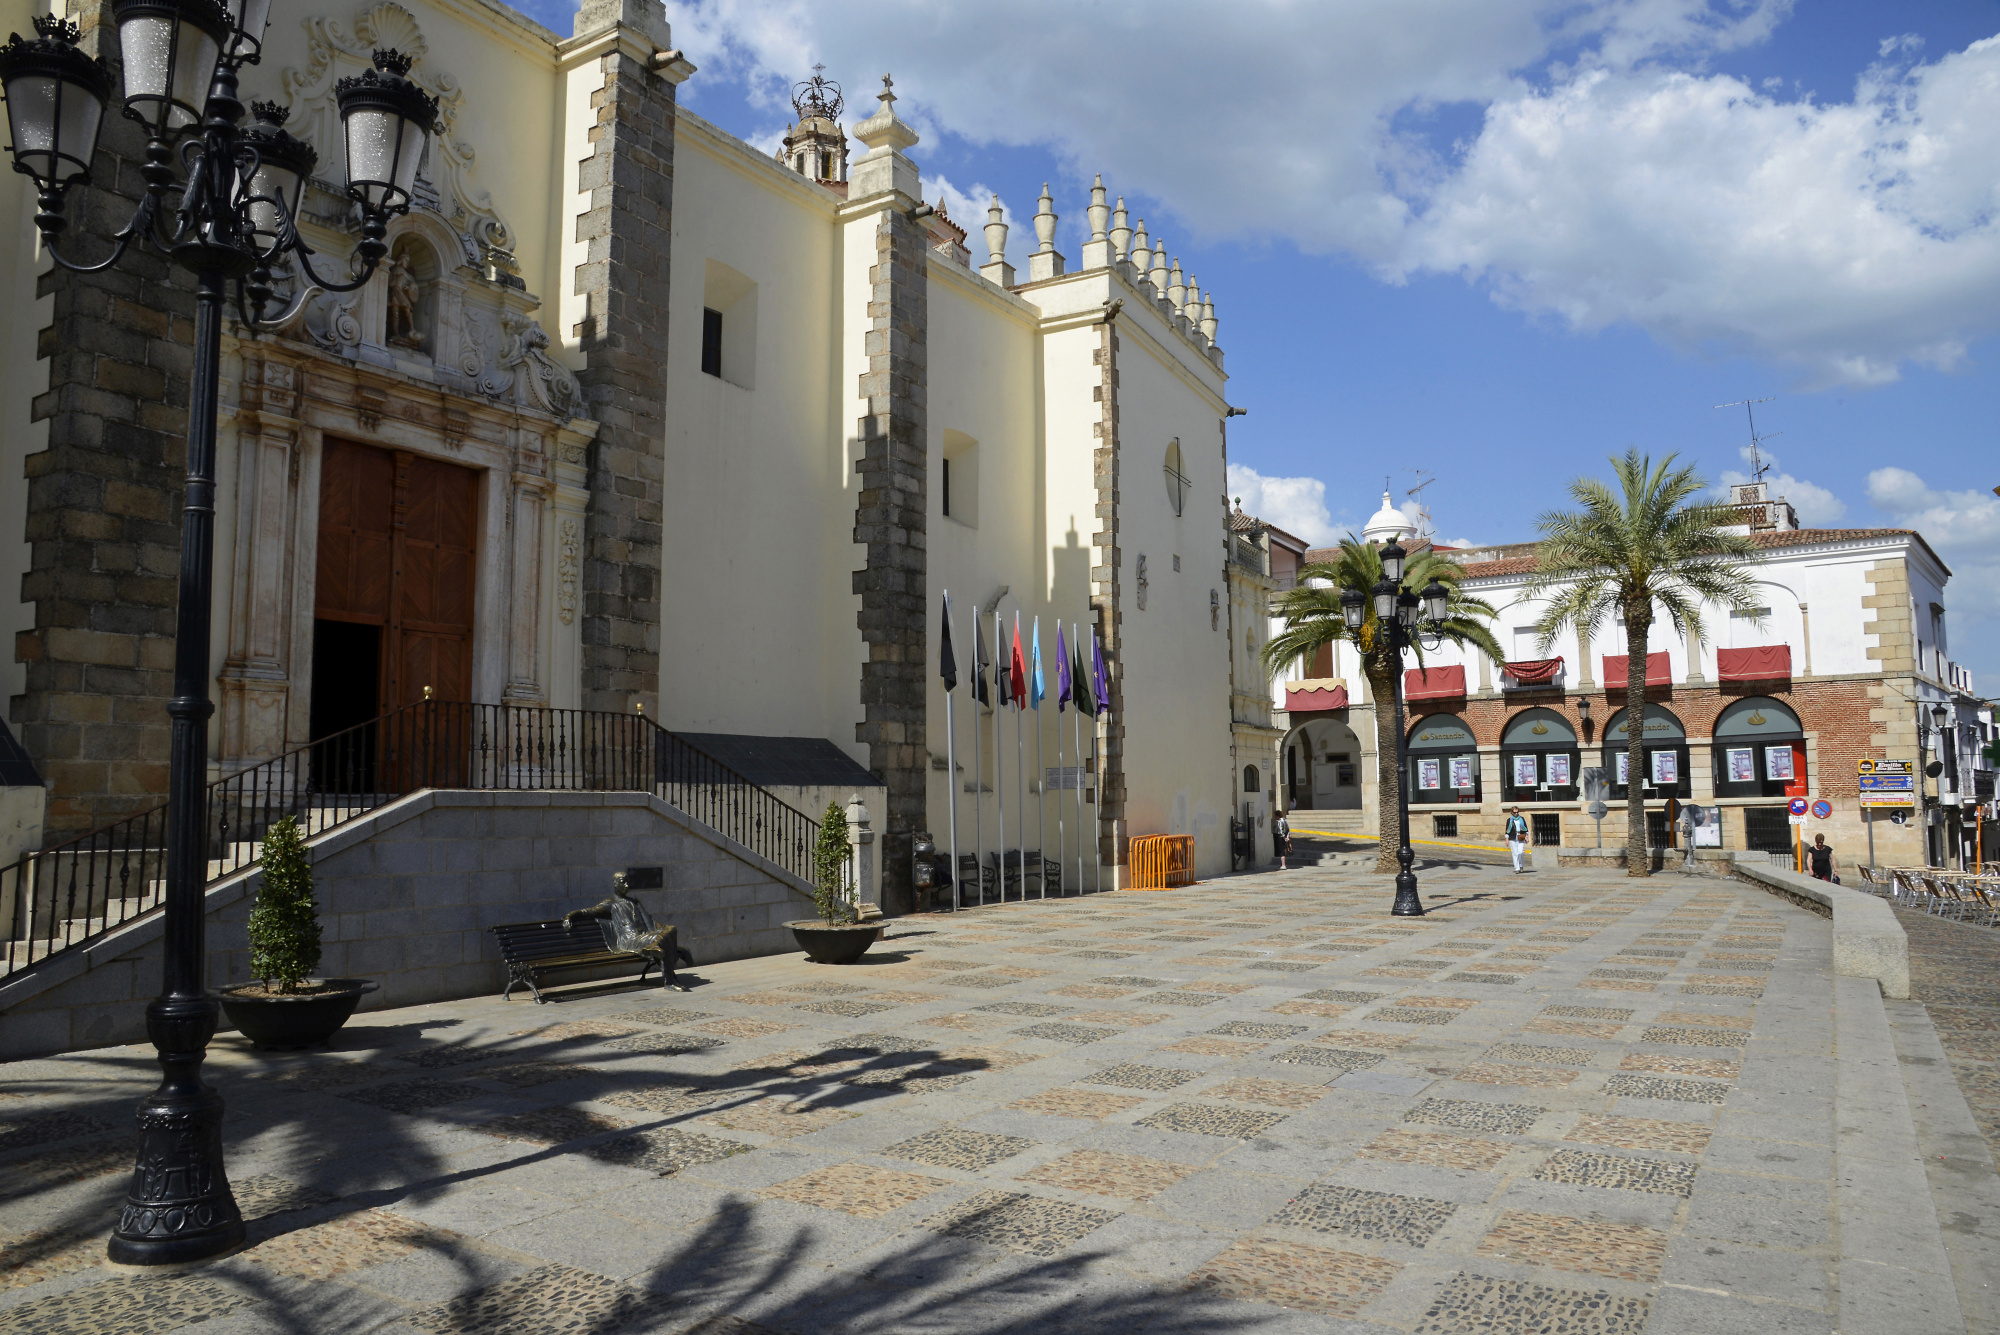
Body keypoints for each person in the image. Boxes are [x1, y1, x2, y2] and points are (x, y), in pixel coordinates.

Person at [564, 871, 694, 991]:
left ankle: (654, 947)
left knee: (671, 929)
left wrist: (663, 930)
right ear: (615, 884)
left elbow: (650, 922)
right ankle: (669, 981)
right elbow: (588, 912)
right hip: (629, 940)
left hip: (643, 936)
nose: (627, 885)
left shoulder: (634, 901)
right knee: (664, 940)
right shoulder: (610, 903)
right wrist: (569, 916)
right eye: (623, 882)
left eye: (628, 882)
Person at [1504, 806, 1530, 873]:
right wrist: (1507, 839)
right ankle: (1517, 868)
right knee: (1515, 853)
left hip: (1521, 836)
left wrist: (1527, 837)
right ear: (1512, 812)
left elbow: (1526, 829)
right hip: (1512, 837)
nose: (1516, 813)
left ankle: (1521, 865)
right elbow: (1507, 831)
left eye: (1517, 812)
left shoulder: (1521, 819)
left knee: (1520, 852)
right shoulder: (1509, 820)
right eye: (1514, 812)